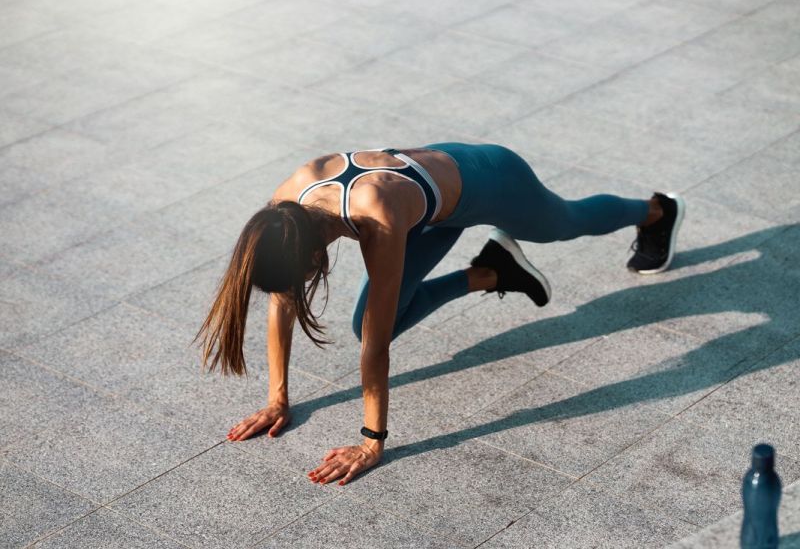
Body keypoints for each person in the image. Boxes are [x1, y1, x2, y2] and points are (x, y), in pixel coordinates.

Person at [194, 142, 685, 486]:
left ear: (311, 257)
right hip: (430, 203)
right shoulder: (286, 209)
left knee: (566, 221)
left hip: (490, 180)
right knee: (365, 315)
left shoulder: (376, 218)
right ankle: (495, 272)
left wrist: (372, 442)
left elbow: (377, 342)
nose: (297, 289)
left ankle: (658, 210)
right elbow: (282, 300)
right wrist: (277, 400)